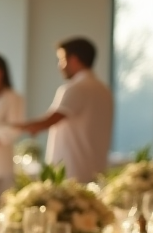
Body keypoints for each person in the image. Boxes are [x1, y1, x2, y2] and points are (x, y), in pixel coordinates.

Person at [15, 37, 113, 183]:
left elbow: (49, 121)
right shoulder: (104, 90)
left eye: (61, 60)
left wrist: (13, 125)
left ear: (73, 60)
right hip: (96, 170)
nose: (60, 66)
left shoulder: (76, 88)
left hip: (71, 171)